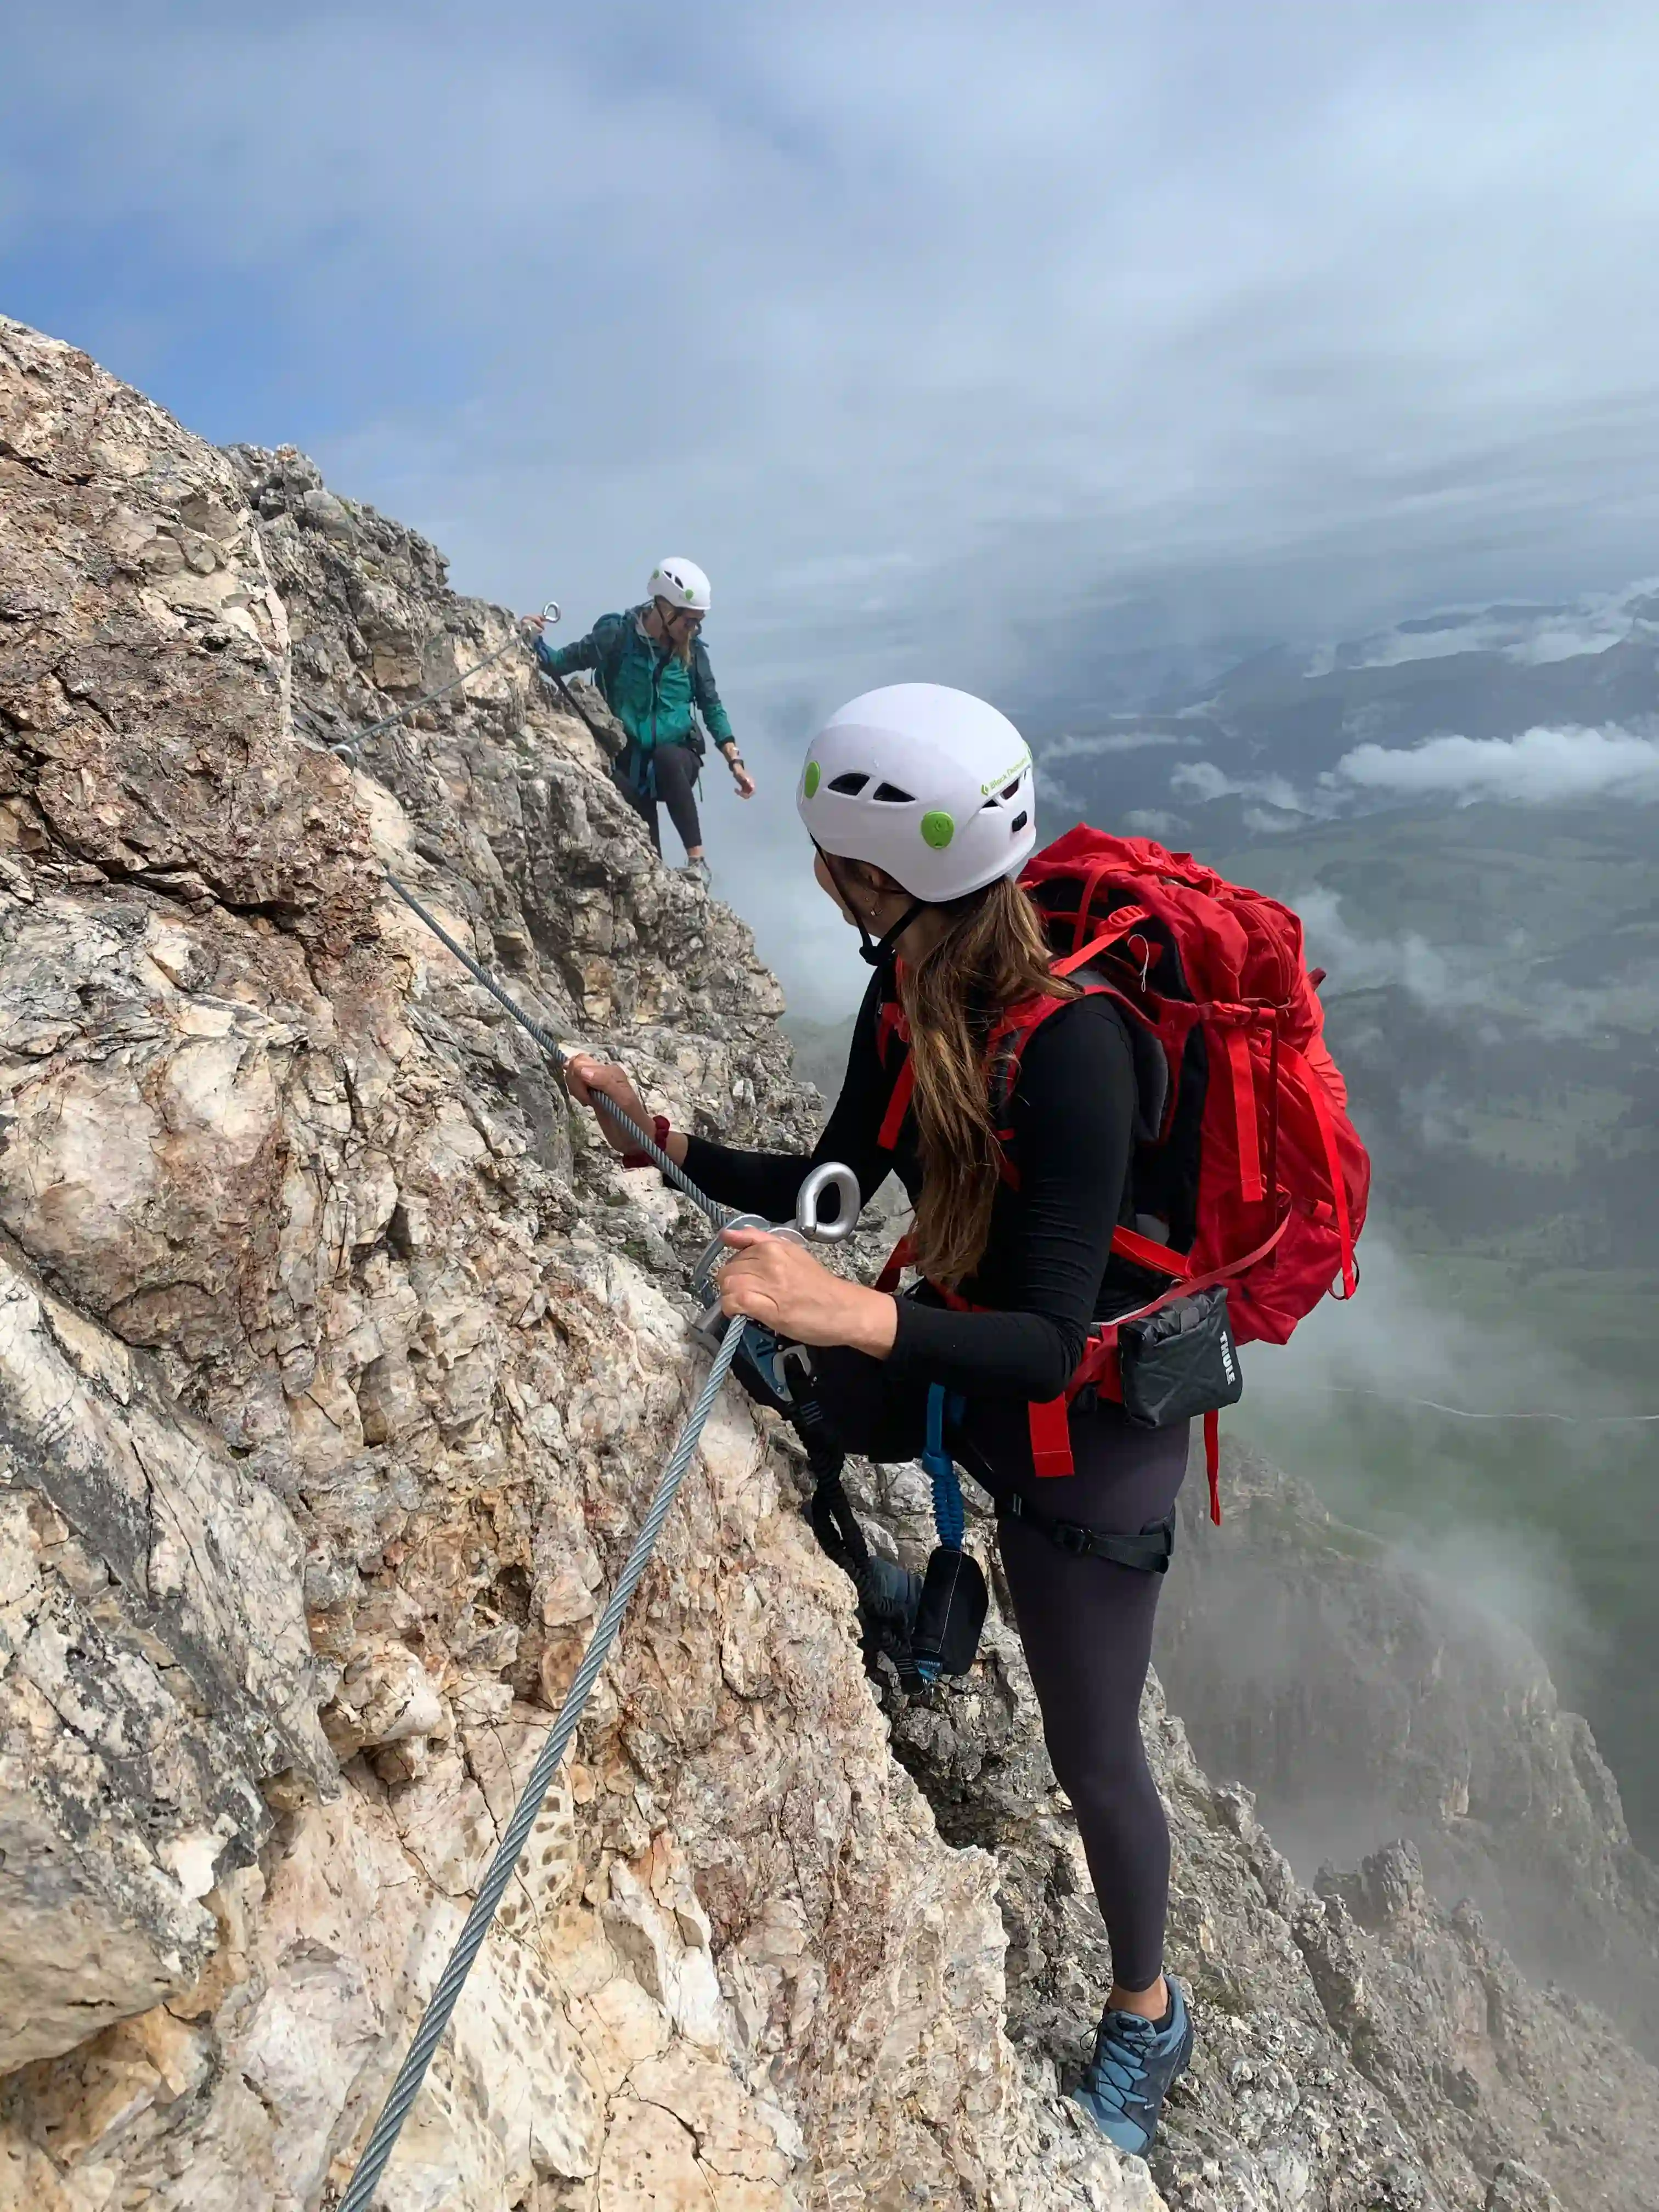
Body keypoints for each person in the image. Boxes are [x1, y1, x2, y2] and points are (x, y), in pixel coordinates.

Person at [564, 682, 1195, 2158]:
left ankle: (1149, 2009)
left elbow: (1048, 1345)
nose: (818, 880)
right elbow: (836, 1176)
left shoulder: (1079, 1049)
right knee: (791, 1373)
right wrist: (664, 1142)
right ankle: (900, 1597)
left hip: (1087, 1432)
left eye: (829, 863)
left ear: (873, 874)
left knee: (1094, 1751)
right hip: (962, 1353)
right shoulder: (907, 992)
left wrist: (847, 1312)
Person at [527, 558, 754, 887]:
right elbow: (561, 662)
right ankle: (657, 876)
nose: (693, 629)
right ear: (665, 608)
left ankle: (697, 863)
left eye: (698, 622)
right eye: (689, 620)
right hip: (629, 764)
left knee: (666, 757)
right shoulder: (617, 635)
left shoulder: (693, 653)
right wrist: (532, 638)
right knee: (648, 859)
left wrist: (735, 762)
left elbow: (711, 705)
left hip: (677, 761)